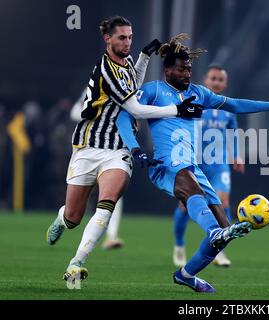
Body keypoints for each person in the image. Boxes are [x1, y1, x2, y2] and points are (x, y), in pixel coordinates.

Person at [115, 34, 269, 293]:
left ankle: (187, 274)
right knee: (201, 206)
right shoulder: (153, 90)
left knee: (226, 231)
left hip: (193, 166)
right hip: (166, 164)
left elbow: (234, 105)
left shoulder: (199, 93)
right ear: (167, 70)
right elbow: (123, 115)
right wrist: (136, 150)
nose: (187, 73)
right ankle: (194, 239)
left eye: (189, 68)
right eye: (181, 68)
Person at [45, 17, 203, 283]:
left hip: (118, 149)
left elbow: (133, 87)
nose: (127, 42)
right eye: (122, 38)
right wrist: (177, 109)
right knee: (74, 216)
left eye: (130, 37)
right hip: (88, 146)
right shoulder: (106, 71)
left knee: (106, 205)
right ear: (107, 39)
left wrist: (142, 58)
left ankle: (76, 263)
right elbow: (135, 108)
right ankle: (62, 220)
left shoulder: (126, 62)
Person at [172, 65, 244, 268]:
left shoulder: (227, 108)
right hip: (195, 163)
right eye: (213, 78)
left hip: (219, 164)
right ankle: (179, 246)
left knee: (223, 203)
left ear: (225, 83)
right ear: (206, 80)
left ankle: (219, 250)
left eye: (220, 79)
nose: (217, 82)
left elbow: (233, 132)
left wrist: (236, 154)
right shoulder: (195, 102)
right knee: (185, 206)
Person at [71, 88, 125, 250]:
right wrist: (96, 113)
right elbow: (74, 112)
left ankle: (112, 236)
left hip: (112, 152)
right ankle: (63, 218)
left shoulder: (125, 88)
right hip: (89, 152)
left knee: (114, 195)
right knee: (76, 205)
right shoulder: (93, 88)